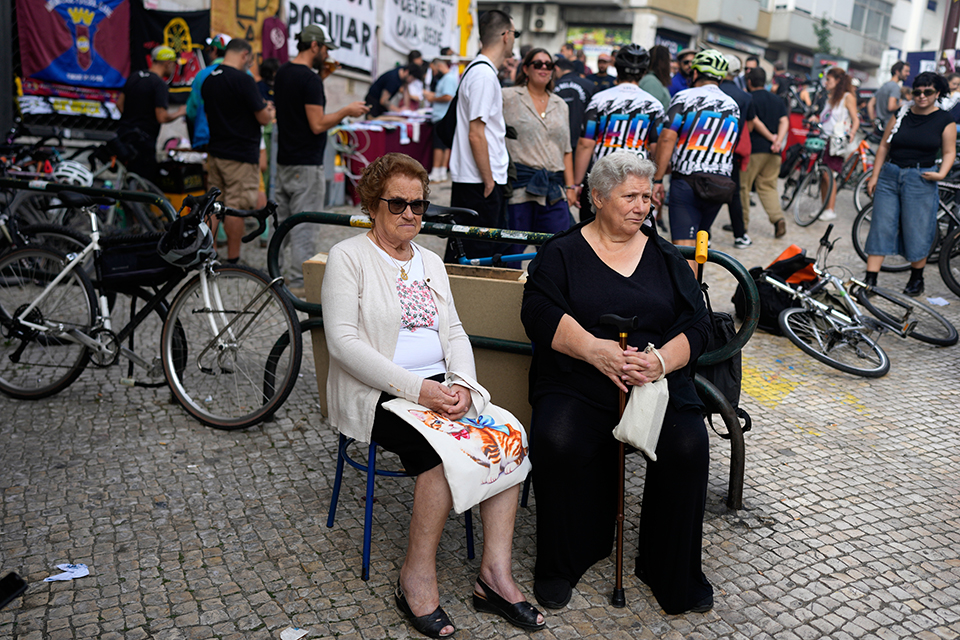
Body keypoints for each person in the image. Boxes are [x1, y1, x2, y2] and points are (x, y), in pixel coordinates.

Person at [322, 153, 545, 638]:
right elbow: (343, 343)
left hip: (439, 387)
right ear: (372, 204)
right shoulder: (348, 257)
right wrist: (418, 389)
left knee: (507, 434)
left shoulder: (430, 261)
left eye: (418, 205)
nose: (409, 213)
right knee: (438, 455)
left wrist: (462, 384)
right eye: (397, 203)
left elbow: (455, 331)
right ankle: (415, 577)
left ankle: (494, 576)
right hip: (379, 392)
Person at [521, 150, 713, 615]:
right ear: (598, 197)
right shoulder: (562, 252)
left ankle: (667, 567)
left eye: (646, 197)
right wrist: (593, 349)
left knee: (688, 445)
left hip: (653, 385)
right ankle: (566, 558)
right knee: (557, 438)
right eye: (630, 196)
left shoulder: (665, 256)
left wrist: (660, 362)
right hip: (578, 378)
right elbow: (538, 312)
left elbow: (701, 324)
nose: (641, 206)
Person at [273, 24, 369, 297]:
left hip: (285, 159)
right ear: (314, 45)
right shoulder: (309, 80)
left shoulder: (284, 72)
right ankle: (298, 281)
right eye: (325, 48)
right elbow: (316, 124)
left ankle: (273, 271)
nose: (327, 54)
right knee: (304, 225)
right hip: (306, 162)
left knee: (282, 223)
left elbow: (297, 103)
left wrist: (321, 77)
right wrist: (347, 110)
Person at [865, 72, 956, 297]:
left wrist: (941, 173)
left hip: (920, 179)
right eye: (917, 91)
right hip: (890, 175)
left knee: (917, 228)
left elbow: (949, 151)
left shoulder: (944, 119)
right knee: (880, 225)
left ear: (937, 93)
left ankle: (916, 278)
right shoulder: (901, 113)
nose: (922, 96)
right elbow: (884, 146)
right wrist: (875, 176)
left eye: (928, 92)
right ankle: (870, 280)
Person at [444, 9, 516, 262]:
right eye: (515, 34)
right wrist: (488, 180)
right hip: (479, 181)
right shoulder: (483, 75)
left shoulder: (480, 71)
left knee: (470, 252)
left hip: (478, 179)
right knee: (475, 256)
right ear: (506, 35)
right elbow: (476, 133)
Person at [653, 50, 740, 252]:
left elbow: (667, 138)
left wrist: (657, 180)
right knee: (701, 244)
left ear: (695, 73)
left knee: (685, 248)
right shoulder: (732, 105)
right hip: (720, 184)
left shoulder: (684, 97)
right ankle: (697, 274)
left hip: (688, 180)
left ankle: (688, 275)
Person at [202, 38, 275, 263]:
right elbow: (263, 118)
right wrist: (269, 111)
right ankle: (233, 260)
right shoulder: (243, 80)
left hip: (216, 151)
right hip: (240, 155)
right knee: (235, 207)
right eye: (249, 60)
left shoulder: (209, 79)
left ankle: (211, 254)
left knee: (212, 206)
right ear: (244, 55)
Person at [572, 45, 664, 220]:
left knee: (592, 229)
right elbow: (656, 148)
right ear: (643, 72)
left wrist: (577, 184)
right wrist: (656, 181)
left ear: (616, 68)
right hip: (637, 180)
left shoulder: (599, 100)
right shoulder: (654, 105)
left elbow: (585, 144)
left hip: (603, 177)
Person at [502, 48, 575, 262]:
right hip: (520, 188)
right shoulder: (508, 97)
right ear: (526, 68)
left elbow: (567, 149)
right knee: (511, 254)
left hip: (553, 191)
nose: (544, 68)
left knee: (557, 253)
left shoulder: (561, 105)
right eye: (538, 64)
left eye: (548, 65)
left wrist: (571, 187)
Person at [117, 45, 186, 184]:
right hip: (144, 142)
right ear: (168, 63)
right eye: (174, 64)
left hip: (123, 135)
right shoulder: (159, 84)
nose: (174, 68)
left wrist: (132, 118)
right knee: (143, 182)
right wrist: (180, 112)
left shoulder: (134, 76)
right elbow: (161, 117)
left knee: (127, 177)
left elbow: (119, 104)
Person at [741, 66, 789, 238]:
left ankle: (741, 225)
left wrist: (770, 138)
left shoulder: (749, 98)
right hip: (774, 153)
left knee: (743, 187)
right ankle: (778, 219)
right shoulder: (777, 100)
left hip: (754, 150)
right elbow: (784, 121)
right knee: (768, 187)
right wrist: (778, 141)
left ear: (749, 82)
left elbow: (754, 120)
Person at [719, 55, 755, 248]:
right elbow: (748, 127)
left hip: (705, 149)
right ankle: (740, 235)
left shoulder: (714, 91)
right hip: (730, 151)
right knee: (734, 193)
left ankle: (703, 234)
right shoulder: (745, 97)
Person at [814, 67, 859, 221]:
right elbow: (826, 118)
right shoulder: (831, 98)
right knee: (823, 175)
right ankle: (824, 207)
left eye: (828, 80)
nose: (825, 82)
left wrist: (852, 133)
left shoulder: (847, 97)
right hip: (824, 138)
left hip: (836, 141)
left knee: (829, 175)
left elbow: (855, 119)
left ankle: (830, 209)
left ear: (838, 81)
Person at [186, 34, 231, 151]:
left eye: (209, 50)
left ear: (214, 50)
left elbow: (191, 110)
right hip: (236, 140)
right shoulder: (245, 73)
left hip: (208, 137)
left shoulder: (202, 75)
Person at [424, 58, 458, 183]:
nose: (433, 73)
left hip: (441, 116)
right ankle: (442, 171)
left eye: (433, 70)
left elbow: (448, 96)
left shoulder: (448, 78)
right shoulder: (450, 77)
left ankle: (436, 171)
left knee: (438, 146)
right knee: (444, 146)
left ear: (438, 66)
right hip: (444, 115)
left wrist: (432, 98)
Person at [553, 57, 594, 153]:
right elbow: (593, 116)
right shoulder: (589, 86)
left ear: (557, 69)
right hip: (583, 140)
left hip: (557, 142)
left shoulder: (552, 86)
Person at [868, 61, 910, 127]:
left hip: (879, 126)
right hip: (888, 127)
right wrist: (903, 105)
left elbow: (870, 104)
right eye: (906, 71)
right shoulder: (895, 87)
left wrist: (873, 122)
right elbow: (891, 107)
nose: (908, 74)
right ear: (897, 71)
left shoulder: (884, 86)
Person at [638, 45, 672, 110]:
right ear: (662, 62)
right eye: (669, 61)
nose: (671, 65)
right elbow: (650, 111)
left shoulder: (654, 80)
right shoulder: (651, 82)